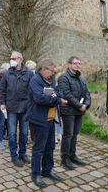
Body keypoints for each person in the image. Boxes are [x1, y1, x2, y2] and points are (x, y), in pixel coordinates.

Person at [26, 59, 68, 188]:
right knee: (39, 148)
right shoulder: (35, 80)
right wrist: (56, 100)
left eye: (54, 71)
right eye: (52, 70)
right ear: (43, 69)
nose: (53, 73)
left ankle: (47, 170)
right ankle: (36, 174)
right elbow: (39, 98)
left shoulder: (51, 79)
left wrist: (56, 97)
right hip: (39, 120)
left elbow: (59, 92)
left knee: (50, 147)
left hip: (50, 119)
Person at [0, 51, 33, 167]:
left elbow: (32, 90)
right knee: (12, 133)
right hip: (11, 107)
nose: (12, 60)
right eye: (11, 58)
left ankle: (22, 153)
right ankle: (14, 155)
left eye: (14, 58)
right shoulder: (7, 74)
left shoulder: (28, 74)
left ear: (20, 60)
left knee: (24, 133)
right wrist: (2, 102)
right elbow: (2, 89)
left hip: (25, 107)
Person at [58, 56, 91, 170]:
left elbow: (87, 92)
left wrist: (86, 104)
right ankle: (65, 158)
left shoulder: (81, 78)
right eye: (75, 63)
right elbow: (67, 94)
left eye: (79, 63)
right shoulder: (63, 77)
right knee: (68, 135)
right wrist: (79, 105)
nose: (77, 65)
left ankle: (72, 155)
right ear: (69, 64)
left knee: (75, 134)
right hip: (68, 111)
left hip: (79, 112)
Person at [0, 63, 10, 140]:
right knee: (4, 118)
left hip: (9, 100)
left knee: (8, 118)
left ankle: (8, 133)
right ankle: (3, 133)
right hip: (3, 100)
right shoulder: (1, 78)